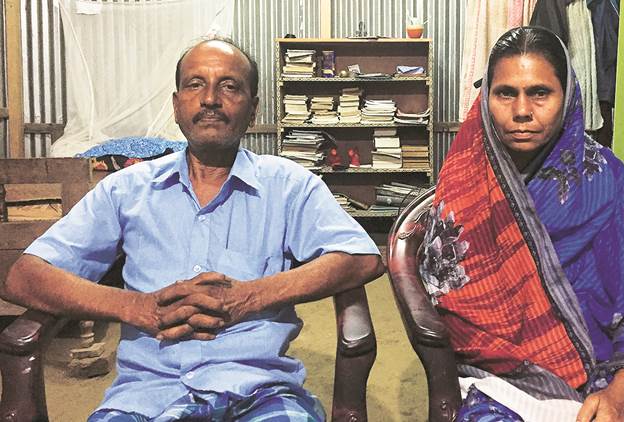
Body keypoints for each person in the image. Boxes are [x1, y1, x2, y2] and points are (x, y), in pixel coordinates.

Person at [0, 37, 384, 421]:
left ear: (253, 111)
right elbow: (24, 277)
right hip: (144, 399)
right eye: (195, 84)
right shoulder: (126, 190)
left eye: (229, 86)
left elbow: (361, 258)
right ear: (176, 105)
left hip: (259, 391)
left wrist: (250, 297)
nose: (210, 99)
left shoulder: (289, 186)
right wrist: (136, 307)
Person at [419, 26, 624, 422]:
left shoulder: (605, 178)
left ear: (567, 94)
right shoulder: (465, 186)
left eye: (540, 93)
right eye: (505, 93)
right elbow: (454, 303)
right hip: (504, 380)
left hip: (617, 365)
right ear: (486, 99)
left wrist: (623, 389)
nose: (522, 111)